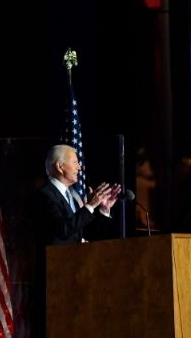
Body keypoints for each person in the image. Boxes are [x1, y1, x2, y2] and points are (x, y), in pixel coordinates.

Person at [29, 144, 120, 337]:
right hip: (54, 281)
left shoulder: (72, 196)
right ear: (60, 167)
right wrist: (89, 206)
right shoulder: (44, 196)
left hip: (76, 276)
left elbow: (86, 234)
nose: (79, 167)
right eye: (75, 162)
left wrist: (102, 209)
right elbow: (62, 230)